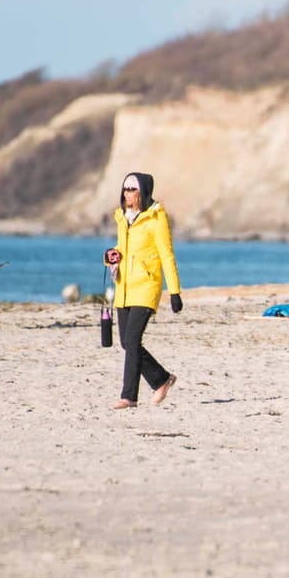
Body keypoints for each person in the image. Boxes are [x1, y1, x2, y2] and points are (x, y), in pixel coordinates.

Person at [107, 172, 182, 409]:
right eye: (125, 188)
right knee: (127, 344)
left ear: (143, 191)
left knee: (132, 339)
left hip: (147, 286)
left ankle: (128, 396)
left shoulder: (156, 218)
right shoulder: (122, 217)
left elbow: (166, 255)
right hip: (124, 287)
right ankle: (161, 379)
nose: (127, 193)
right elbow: (121, 248)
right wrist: (110, 258)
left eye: (132, 189)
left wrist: (175, 292)